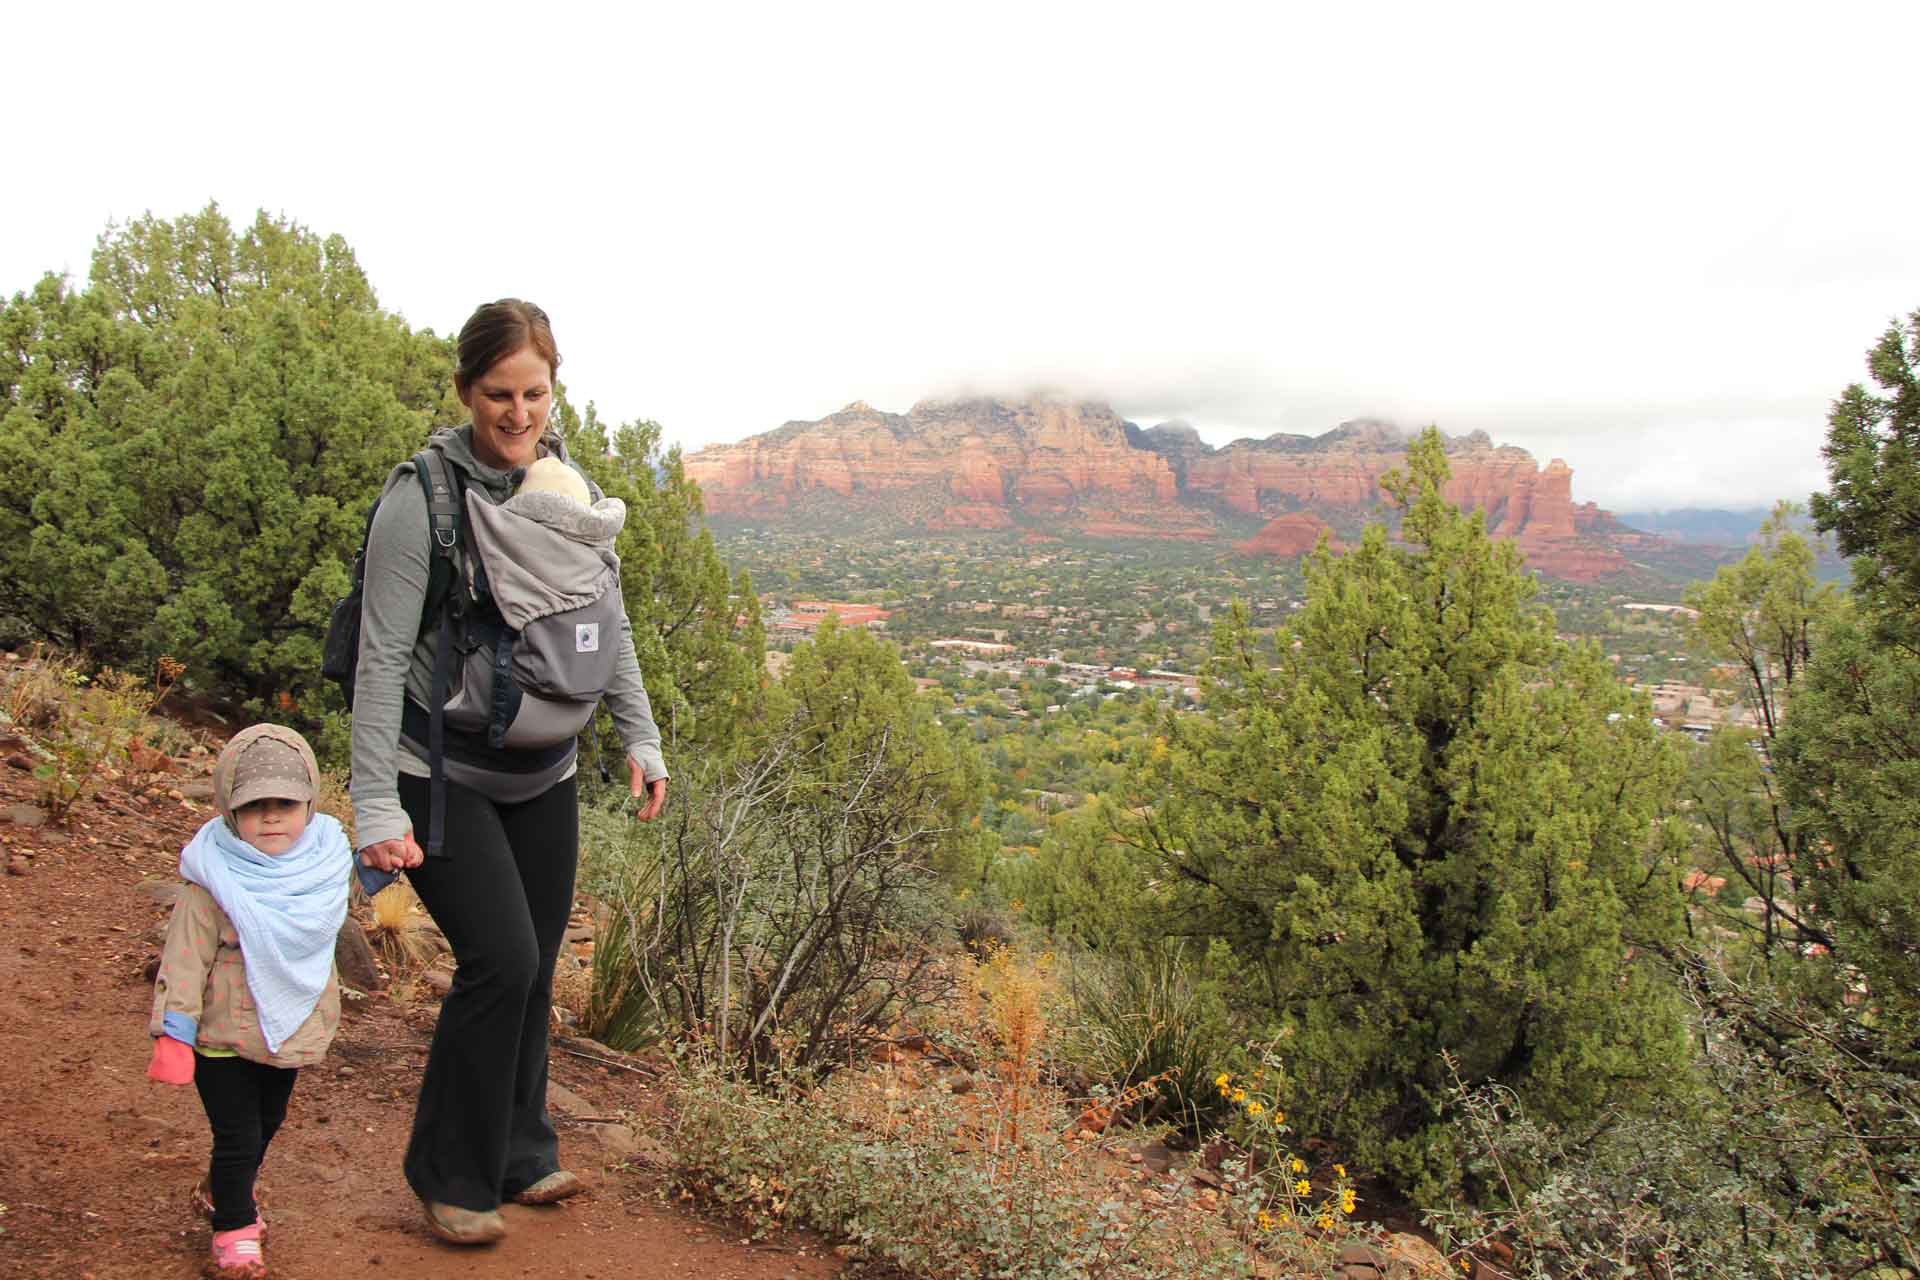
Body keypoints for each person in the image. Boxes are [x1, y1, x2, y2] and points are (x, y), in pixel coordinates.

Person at [348, 298, 669, 1246]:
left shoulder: (565, 484)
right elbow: (378, 658)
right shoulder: (423, 501)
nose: (518, 414)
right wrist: (371, 803)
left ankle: (523, 1151)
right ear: (464, 391)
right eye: (499, 394)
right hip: (436, 771)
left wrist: (638, 736)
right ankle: (449, 1175)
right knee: (504, 962)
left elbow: (604, 628)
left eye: (534, 392)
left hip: (546, 774)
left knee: (534, 976)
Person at [147, 724, 351, 1280]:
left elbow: (352, 902)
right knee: (237, 1136)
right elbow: (184, 961)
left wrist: (394, 853)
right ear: (227, 809)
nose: (269, 817)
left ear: (308, 802)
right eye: (253, 806)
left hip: (286, 1033)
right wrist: (174, 1031)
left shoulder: (325, 866)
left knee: (267, 1122)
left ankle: (220, 1188)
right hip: (220, 1038)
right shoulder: (211, 883)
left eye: (283, 803)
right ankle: (234, 1229)